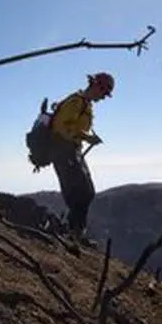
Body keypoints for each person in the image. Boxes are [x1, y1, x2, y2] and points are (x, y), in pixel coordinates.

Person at [48, 72, 114, 245]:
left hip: (71, 150)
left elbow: (75, 126)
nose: (104, 97)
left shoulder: (86, 104)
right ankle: (74, 234)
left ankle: (75, 232)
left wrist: (86, 136)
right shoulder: (76, 102)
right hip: (63, 150)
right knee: (80, 192)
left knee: (86, 192)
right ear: (97, 86)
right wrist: (86, 137)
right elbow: (61, 127)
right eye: (104, 92)